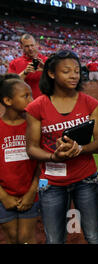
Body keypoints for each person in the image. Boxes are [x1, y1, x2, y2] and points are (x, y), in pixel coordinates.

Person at [25, 50, 98, 244]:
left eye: (77, 71)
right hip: (49, 182)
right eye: (67, 71)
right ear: (52, 73)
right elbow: (32, 148)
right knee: (53, 239)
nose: (74, 75)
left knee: (94, 235)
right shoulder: (36, 107)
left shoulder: (90, 103)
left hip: (86, 179)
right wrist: (54, 157)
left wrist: (79, 149)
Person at [0, 74, 39, 244]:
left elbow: (43, 166)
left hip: (31, 195)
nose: (32, 99)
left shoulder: (35, 126)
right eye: (26, 96)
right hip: (3, 197)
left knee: (26, 238)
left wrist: (33, 192)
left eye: (31, 95)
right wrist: (3, 196)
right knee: (12, 238)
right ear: (8, 101)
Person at [8, 34, 47, 99]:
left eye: (32, 45)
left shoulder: (47, 61)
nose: (30, 49)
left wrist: (46, 70)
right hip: (22, 103)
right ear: (21, 46)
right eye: (27, 46)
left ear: (37, 44)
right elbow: (10, 84)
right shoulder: (14, 63)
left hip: (42, 102)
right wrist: (25, 72)